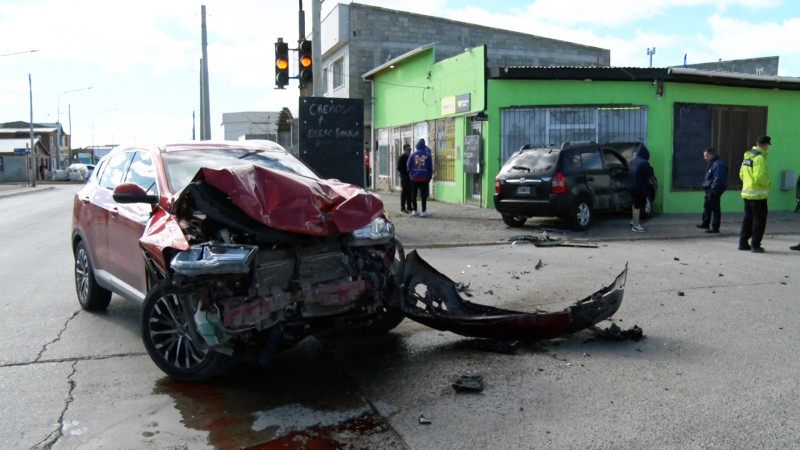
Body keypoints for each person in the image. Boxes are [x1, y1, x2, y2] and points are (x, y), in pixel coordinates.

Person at [738, 135, 772, 253]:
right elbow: (760, 177)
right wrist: (768, 183)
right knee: (759, 221)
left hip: (747, 194)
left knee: (748, 219)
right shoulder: (760, 159)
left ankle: (743, 243)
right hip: (758, 196)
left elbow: (741, 175)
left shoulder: (747, 157)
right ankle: (755, 245)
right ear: (765, 145)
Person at [696, 147, 728, 233]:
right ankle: (705, 222)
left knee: (715, 208)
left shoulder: (718, 164)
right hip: (710, 189)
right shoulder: (713, 163)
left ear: (710, 155)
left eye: (706, 156)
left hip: (714, 189)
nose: (704, 158)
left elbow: (718, 179)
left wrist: (713, 189)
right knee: (707, 206)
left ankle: (715, 227)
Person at [628, 144, 654, 232]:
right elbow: (650, 173)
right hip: (640, 188)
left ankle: (634, 220)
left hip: (631, 186)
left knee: (634, 205)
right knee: (638, 206)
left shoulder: (632, 161)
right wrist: (651, 166)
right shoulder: (644, 163)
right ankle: (636, 225)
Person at [407, 138, 433, 217]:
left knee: (413, 195)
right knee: (424, 195)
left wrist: (410, 174)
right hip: (424, 179)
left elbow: (408, 166)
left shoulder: (412, 155)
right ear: (424, 146)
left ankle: (414, 210)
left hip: (414, 178)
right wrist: (429, 177)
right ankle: (423, 211)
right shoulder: (427, 156)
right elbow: (430, 168)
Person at [397, 144, 413, 213]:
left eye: (410, 150)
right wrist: (405, 172)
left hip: (410, 177)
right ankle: (402, 207)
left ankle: (409, 206)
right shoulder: (402, 157)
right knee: (404, 192)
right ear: (404, 150)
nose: (409, 151)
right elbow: (399, 167)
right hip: (404, 176)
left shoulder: (411, 157)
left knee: (410, 191)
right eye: (408, 150)